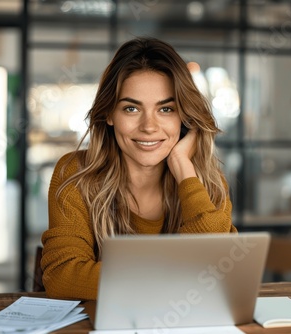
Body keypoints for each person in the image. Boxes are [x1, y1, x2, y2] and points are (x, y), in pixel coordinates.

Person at [41, 37, 236, 301]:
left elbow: (218, 270)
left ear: (185, 118)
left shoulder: (205, 182)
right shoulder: (75, 174)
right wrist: (175, 277)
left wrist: (182, 166)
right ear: (109, 114)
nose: (149, 126)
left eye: (166, 109)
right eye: (131, 108)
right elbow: (63, 277)